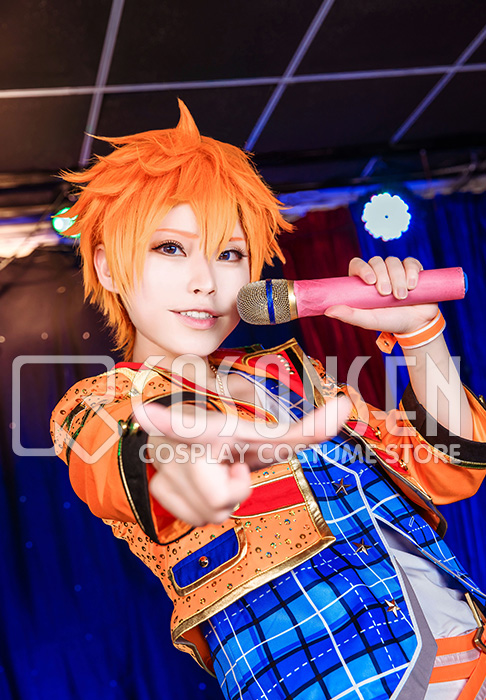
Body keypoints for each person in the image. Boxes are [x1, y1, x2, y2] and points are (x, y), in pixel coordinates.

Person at [51, 100, 486, 700]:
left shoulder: (292, 376)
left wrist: (421, 334)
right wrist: (198, 465)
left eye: (229, 254)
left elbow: (448, 469)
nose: (206, 281)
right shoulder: (99, 406)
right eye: (170, 248)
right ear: (108, 266)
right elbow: (136, 467)